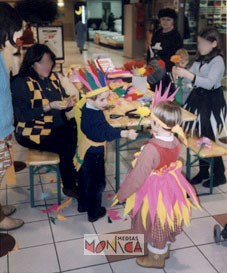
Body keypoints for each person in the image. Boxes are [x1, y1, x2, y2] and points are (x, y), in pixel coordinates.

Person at [115, 99, 200, 268]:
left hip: (153, 190)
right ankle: (163, 248)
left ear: (157, 125)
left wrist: (122, 194)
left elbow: (137, 177)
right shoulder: (175, 141)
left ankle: (156, 258)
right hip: (170, 187)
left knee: (153, 218)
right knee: (165, 217)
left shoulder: (151, 149)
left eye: (152, 121)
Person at [11, 44, 78, 199]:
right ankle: (69, 185)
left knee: (80, 135)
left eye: (50, 62)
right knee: (66, 145)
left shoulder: (53, 78)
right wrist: (47, 107)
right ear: (32, 63)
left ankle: (77, 177)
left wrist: (68, 104)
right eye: (43, 62)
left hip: (56, 125)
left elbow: (62, 104)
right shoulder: (21, 82)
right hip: (31, 130)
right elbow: (22, 116)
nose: (48, 66)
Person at [74, 62, 138, 222]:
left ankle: (83, 204)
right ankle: (94, 212)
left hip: (86, 149)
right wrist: (125, 132)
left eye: (106, 98)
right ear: (91, 98)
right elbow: (105, 132)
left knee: (84, 179)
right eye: (102, 99)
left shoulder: (89, 109)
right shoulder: (93, 115)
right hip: (93, 153)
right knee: (96, 184)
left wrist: (103, 106)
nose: (105, 102)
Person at [172, 27, 226, 187]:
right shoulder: (200, 59)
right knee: (197, 136)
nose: (200, 46)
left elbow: (209, 83)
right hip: (198, 99)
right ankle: (203, 171)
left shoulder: (218, 61)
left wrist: (188, 75)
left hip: (211, 102)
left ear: (214, 43)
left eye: (203, 43)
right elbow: (191, 81)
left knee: (207, 138)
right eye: (199, 43)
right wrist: (179, 78)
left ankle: (219, 174)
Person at [0, 2, 24, 257]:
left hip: (3, 126)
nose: (18, 35)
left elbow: (13, 73)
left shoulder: (1, 51)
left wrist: (15, 51)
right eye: (16, 30)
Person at [148, 8, 183, 73]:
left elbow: (179, 55)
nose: (165, 22)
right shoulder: (157, 33)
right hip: (155, 67)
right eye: (163, 19)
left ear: (173, 21)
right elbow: (151, 49)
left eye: (168, 20)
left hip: (169, 69)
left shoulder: (176, 36)